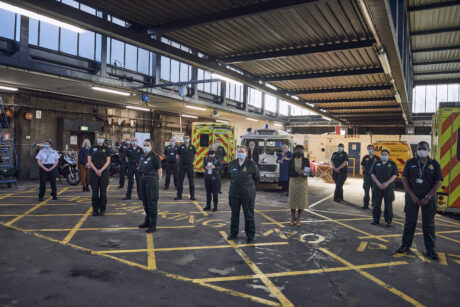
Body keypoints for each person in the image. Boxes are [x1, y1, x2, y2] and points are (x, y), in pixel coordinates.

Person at [397, 141, 443, 260]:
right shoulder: (410, 163)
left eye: (424, 148)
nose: (421, 150)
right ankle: (405, 245)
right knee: (409, 222)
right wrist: (412, 195)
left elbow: (438, 182)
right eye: (419, 148)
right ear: (416, 150)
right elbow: (405, 179)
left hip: (429, 198)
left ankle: (430, 249)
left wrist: (427, 197)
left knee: (428, 224)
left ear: (428, 150)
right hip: (412, 196)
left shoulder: (434, 164)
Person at [227, 145, 260, 243]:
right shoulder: (232, 164)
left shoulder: (252, 165)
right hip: (234, 193)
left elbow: (257, 179)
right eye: (239, 151)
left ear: (246, 153)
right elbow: (230, 177)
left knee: (249, 215)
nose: (240, 153)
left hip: (247, 194)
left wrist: (249, 187)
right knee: (234, 215)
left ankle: (250, 234)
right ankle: (233, 233)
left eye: (242, 151)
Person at [138, 139, 162, 233]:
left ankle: (152, 225)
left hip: (151, 180)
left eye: (147, 145)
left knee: (152, 203)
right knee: (145, 202)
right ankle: (147, 221)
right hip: (143, 180)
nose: (145, 147)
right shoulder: (142, 156)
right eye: (144, 145)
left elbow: (159, 170)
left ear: (151, 147)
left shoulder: (154, 156)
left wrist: (156, 180)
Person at [370, 149, 398, 226]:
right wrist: (378, 183)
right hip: (377, 187)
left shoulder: (392, 164)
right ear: (380, 155)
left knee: (388, 205)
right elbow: (372, 173)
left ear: (388, 156)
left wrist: (387, 183)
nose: (384, 156)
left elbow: (395, 174)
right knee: (376, 204)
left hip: (388, 187)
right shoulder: (376, 163)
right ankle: (375, 220)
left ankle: (388, 221)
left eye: (386, 154)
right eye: (383, 154)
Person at [88, 132, 111, 216]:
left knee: (103, 192)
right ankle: (95, 209)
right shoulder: (92, 148)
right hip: (94, 173)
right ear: (96, 138)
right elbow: (89, 160)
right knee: (94, 192)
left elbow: (108, 161)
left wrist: (101, 170)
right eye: (99, 137)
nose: (100, 138)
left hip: (104, 173)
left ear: (104, 139)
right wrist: (96, 170)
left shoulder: (106, 148)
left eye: (102, 137)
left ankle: (102, 209)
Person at [287, 145, 310, 226]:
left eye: (301, 150)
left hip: (302, 183)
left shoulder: (306, 160)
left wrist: (305, 173)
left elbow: (308, 173)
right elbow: (289, 173)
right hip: (293, 183)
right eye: (298, 150)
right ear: (295, 151)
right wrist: (298, 173)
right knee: (293, 201)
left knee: (301, 201)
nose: (299, 151)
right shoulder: (291, 161)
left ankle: (299, 218)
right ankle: (293, 218)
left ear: (303, 152)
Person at [175, 135, 197, 201]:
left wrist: (190, 161)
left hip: (190, 166)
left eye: (187, 138)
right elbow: (177, 156)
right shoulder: (180, 147)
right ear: (183, 139)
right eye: (185, 138)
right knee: (180, 181)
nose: (186, 139)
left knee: (191, 181)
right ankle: (179, 195)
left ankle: (192, 196)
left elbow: (195, 156)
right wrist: (181, 162)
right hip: (182, 166)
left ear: (189, 139)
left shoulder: (192, 147)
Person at [203, 144, 222, 211]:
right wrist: (205, 167)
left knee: (214, 193)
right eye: (211, 148)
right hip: (207, 177)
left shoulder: (218, 157)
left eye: (213, 148)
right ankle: (208, 206)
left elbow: (220, 166)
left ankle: (215, 206)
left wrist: (215, 167)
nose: (212, 149)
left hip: (215, 177)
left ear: (215, 150)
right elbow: (204, 165)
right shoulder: (206, 157)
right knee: (208, 193)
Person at [361, 144, 381, 209]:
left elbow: (379, 167)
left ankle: (374, 204)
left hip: (374, 177)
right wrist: (365, 172)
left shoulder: (377, 158)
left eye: (371, 149)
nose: (370, 150)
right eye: (369, 149)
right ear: (367, 150)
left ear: (373, 149)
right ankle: (365, 204)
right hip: (367, 176)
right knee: (366, 191)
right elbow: (363, 166)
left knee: (374, 191)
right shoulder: (365, 157)